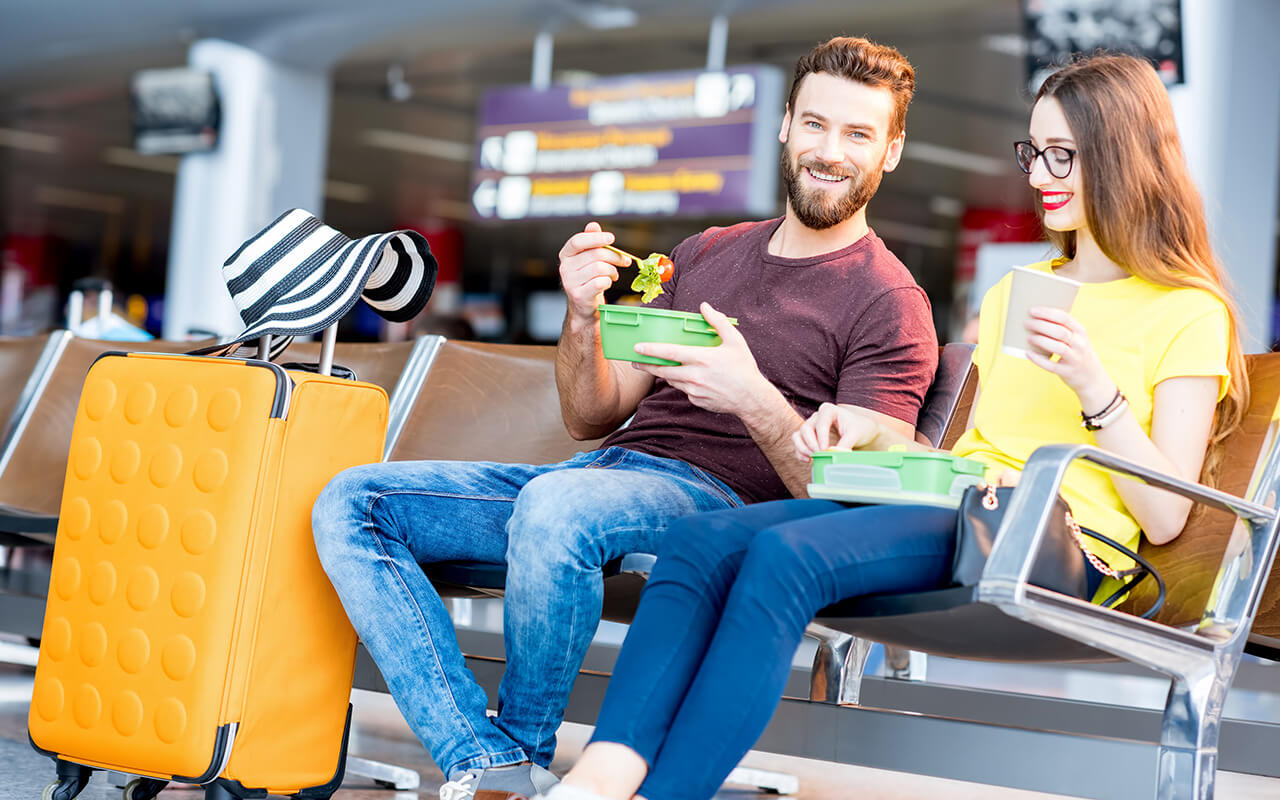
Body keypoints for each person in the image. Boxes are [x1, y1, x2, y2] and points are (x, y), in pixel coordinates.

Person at [536, 52, 1247, 800]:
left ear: (1122, 156)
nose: (1041, 173)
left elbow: (1165, 515)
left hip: (1063, 542)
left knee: (786, 560)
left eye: (1063, 154)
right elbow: (974, 454)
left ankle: (662, 792)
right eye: (1034, 151)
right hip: (969, 507)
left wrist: (1095, 389)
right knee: (700, 543)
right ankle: (603, 775)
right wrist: (873, 436)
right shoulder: (1022, 290)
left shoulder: (1187, 310)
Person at [311, 35, 937, 800]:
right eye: (815, 124)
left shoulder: (890, 302)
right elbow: (590, 415)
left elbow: (855, 498)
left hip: (723, 508)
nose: (829, 151)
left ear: (893, 151)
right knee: (352, 502)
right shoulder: (707, 252)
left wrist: (753, 395)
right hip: (600, 476)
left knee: (556, 507)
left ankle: (520, 755)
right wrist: (582, 318)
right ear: (784, 127)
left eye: (857, 134)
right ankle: (492, 761)